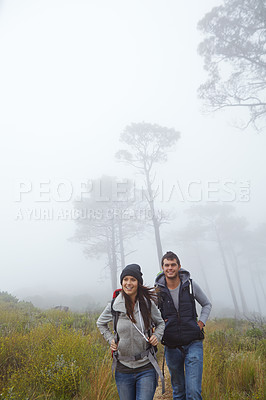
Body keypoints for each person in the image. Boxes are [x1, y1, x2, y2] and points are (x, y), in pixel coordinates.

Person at [97, 263, 165, 400]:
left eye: (132, 280)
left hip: (146, 366)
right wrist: (110, 339)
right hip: (123, 368)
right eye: (125, 279)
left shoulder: (147, 304)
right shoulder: (114, 305)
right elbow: (100, 323)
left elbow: (161, 323)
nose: (129, 283)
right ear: (122, 282)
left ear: (138, 283)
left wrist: (157, 336)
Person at [155, 251, 212, 400]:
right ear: (162, 267)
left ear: (179, 266)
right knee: (179, 391)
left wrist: (201, 322)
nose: (170, 268)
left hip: (193, 343)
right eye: (167, 265)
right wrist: (157, 326)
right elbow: (149, 313)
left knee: (193, 392)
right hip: (171, 346)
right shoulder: (158, 290)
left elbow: (207, 304)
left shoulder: (190, 285)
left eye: (173, 265)